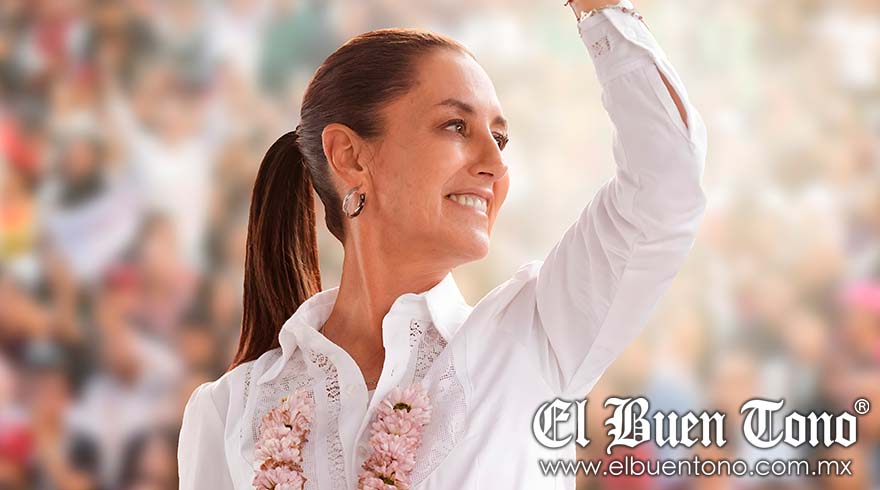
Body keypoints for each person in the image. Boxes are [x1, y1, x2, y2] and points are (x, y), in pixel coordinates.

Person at [178, 0, 708, 488]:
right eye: (456, 126)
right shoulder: (229, 411)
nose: (496, 164)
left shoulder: (535, 339)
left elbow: (666, 179)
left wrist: (598, 7)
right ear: (350, 157)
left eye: (500, 138)